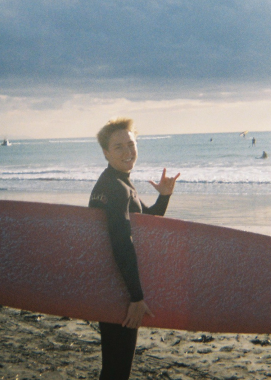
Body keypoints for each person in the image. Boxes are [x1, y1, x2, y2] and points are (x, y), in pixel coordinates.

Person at [88, 118, 180, 380]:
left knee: (114, 369)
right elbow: (121, 242)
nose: (127, 151)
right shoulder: (116, 187)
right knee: (117, 370)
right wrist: (136, 298)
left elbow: (146, 222)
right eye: (118, 147)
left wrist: (164, 195)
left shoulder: (118, 182)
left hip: (112, 283)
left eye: (131, 144)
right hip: (120, 289)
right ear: (106, 152)